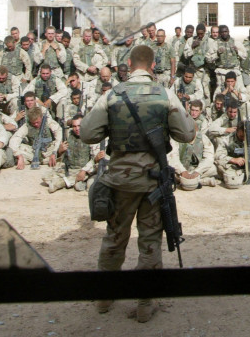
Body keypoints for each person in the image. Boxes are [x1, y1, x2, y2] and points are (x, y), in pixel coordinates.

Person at [80, 45, 195, 322]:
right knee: (151, 240)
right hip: (152, 183)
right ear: (153, 65)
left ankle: (105, 298)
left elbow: (86, 134)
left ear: (129, 64)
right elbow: (187, 134)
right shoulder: (165, 95)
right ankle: (145, 303)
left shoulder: (112, 94)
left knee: (114, 238)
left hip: (120, 181)